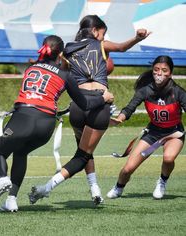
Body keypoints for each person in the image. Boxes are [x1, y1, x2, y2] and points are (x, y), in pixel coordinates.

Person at [0, 35, 113, 212]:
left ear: (43, 49)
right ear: (60, 54)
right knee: (21, 152)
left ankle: (3, 179)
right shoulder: (66, 75)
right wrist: (103, 97)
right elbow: (86, 104)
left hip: (24, 117)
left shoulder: (31, 68)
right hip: (46, 125)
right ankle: (11, 200)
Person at [37, 15, 150, 205]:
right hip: (99, 103)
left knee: (84, 151)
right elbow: (122, 47)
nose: (102, 37)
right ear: (95, 30)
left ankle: (95, 188)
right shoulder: (101, 45)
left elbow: (63, 78)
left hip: (78, 106)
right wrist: (138, 38)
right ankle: (47, 188)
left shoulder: (67, 50)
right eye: (102, 33)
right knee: (82, 155)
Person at [107, 55, 186, 200]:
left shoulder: (178, 92)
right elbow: (130, 107)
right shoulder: (145, 90)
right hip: (153, 132)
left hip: (174, 133)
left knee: (168, 158)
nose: (159, 73)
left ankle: (162, 181)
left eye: (164, 70)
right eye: (156, 69)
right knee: (128, 168)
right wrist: (119, 119)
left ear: (170, 73)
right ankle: (118, 187)